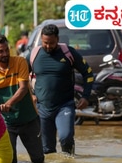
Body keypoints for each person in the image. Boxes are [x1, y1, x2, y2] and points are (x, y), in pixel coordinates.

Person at [0, 35, 44, 163]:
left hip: (29, 120)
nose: (5, 54)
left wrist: (8, 104)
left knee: (38, 161)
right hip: (6, 123)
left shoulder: (20, 62)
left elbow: (23, 88)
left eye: (7, 50)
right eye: (0, 51)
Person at [26, 24, 93, 156]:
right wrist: (30, 95)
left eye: (51, 43)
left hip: (65, 106)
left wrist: (86, 96)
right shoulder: (34, 55)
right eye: (45, 43)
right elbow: (21, 79)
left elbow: (88, 74)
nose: (48, 46)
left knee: (65, 137)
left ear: (58, 39)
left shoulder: (68, 53)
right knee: (47, 150)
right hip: (42, 108)